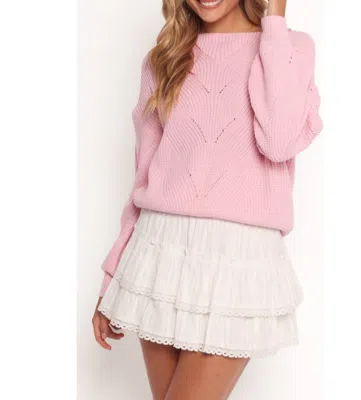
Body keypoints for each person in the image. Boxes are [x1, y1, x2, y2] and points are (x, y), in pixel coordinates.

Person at [92, 0, 323, 398]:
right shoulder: (165, 58)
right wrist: (112, 277)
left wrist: (274, 21)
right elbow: (143, 174)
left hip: (237, 259)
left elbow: (279, 141)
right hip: (158, 251)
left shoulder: (290, 47)